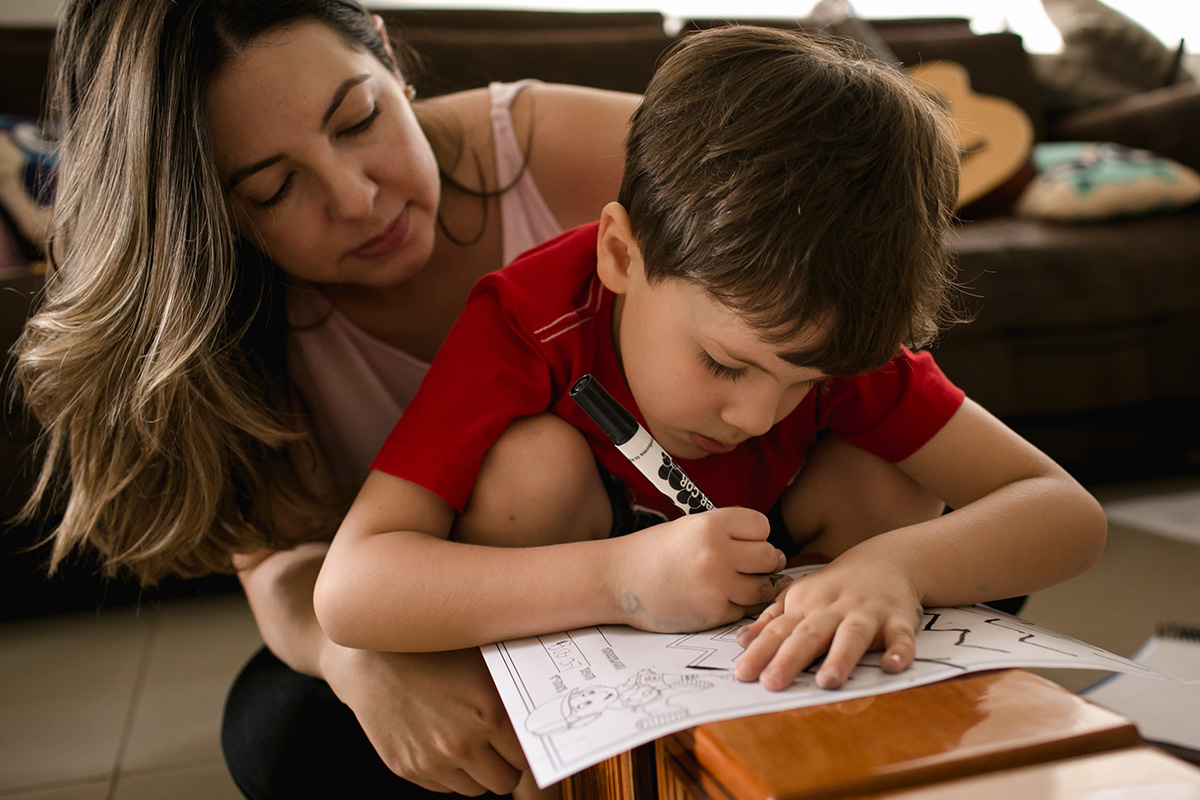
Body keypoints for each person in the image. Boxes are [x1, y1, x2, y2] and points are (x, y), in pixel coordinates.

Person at [11, 2, 961, 798]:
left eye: (359, 119)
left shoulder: (577, 149)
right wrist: (363, 664)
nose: (356, 197)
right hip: (477, 603)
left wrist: (888, 552)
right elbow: (286, 566)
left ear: (388, 55)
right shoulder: (228, 323)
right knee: (285, 732)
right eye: (272, 189)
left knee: (929, 555)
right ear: (208, 215)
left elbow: (831, 303)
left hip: (750, 529)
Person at [313, 24, 1107, 696]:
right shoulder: (529, 319)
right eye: (725, 365)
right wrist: (620, 580)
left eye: (808, 383)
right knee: (529, 470)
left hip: (769, 608)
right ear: (620, 254)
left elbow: (1065, 512)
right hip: (583, 614)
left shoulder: (825, 322)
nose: (757, 416)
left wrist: (894, 566)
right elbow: (352, 590)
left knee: (893, 474)